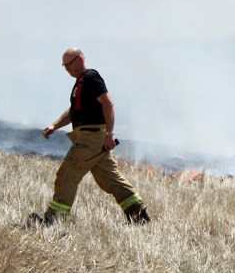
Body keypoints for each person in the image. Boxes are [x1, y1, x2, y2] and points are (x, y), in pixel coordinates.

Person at [29, 48, 151, 226]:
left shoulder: (91, 77)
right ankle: (139, 216)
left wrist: (109, 134)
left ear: (80, 59)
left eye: (70, 64)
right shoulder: (80, 84)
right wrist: (54, 126)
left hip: (92, 137)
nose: (68, 69)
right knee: (109, 179)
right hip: (93, 137)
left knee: (67, 175)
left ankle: (53, 220)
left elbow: (108, 104)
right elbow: (73, 111)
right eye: (65, 67)